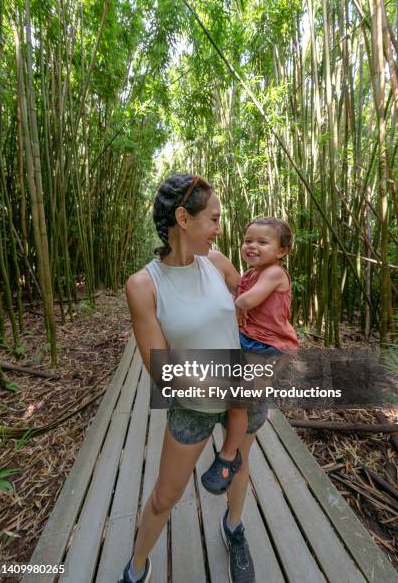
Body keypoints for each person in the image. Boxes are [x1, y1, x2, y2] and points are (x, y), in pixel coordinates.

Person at [120, 174, 267, 583]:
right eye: (214, 219)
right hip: (194, 405)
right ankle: (136, 568)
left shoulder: (218, 262)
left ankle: (234, 529)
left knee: (238, 466)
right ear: (183, 218)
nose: (220, 229)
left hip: (242, 393)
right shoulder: (143, 285)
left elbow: (255, 314)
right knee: (166, 496)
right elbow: (161, 371)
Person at [201, 217, 299, 495]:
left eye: (262, 242)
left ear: (281, 251)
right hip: (249, 342)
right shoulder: (250, 273)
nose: (252, 246)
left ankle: (229, 456)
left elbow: (248, 300)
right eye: (248, 241)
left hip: (267, 347)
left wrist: (237, 304)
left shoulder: (275, 273)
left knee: (238, 404)